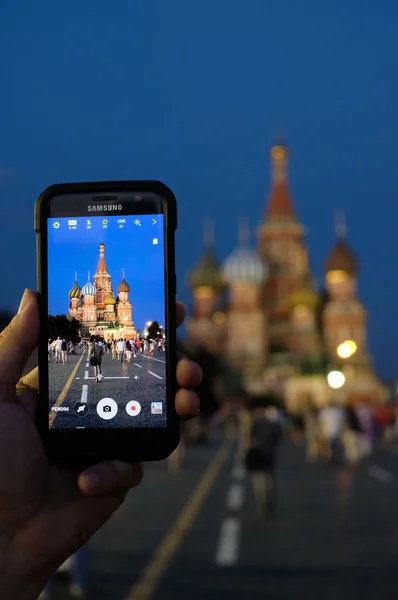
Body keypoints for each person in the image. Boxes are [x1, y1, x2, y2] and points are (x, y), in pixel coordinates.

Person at [0, 289, 202, 600]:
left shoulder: (117, 309)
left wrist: (17, 561)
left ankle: (68, 579)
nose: (116, 299)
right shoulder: (85, 313)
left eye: (119, 295)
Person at [243, 404, 283, 516]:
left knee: (258, 480)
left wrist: (248, 451)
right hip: (270, 455)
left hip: (258, 454)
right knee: (269, 479)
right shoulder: (275, 425)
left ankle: (262, 503)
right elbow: (278, 439)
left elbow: (248, 438)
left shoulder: (256, 423)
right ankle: (269, 501)